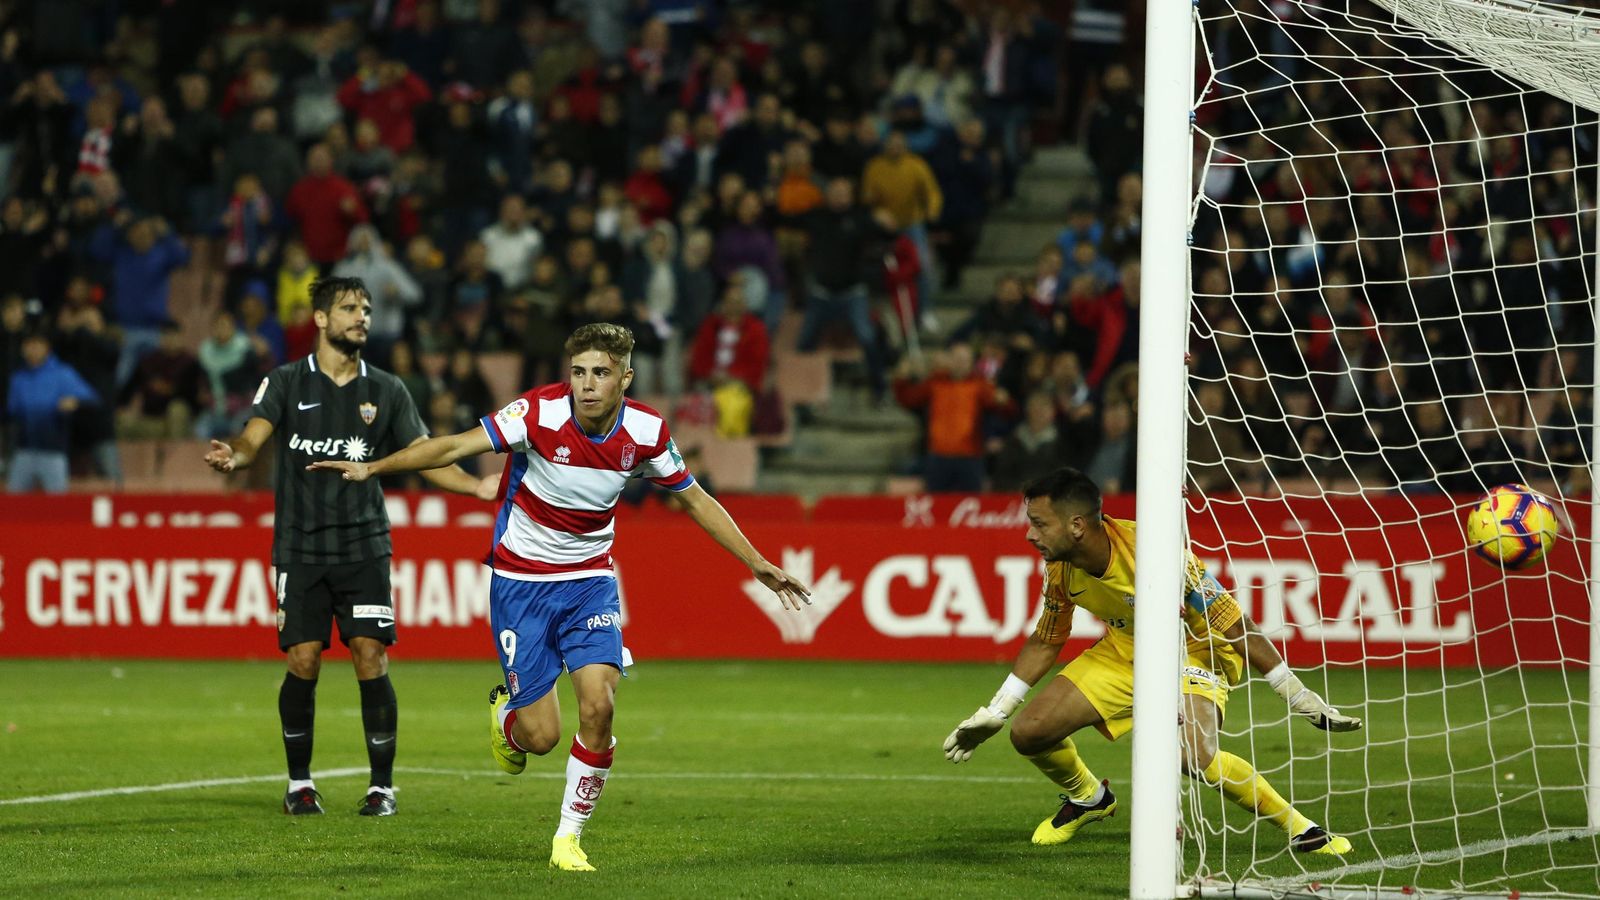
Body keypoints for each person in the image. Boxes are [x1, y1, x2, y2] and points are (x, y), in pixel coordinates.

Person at [307, 322, 811, 872]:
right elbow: (453, 445)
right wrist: (375, 467)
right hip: (520, 585)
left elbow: (695, 499)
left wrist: (757, 561)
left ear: (625, 377)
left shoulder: (645, 431)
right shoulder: (539, 414)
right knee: (540, 737)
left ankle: (567, 838)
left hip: (590, 581)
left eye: (600, 373)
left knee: (599, 705)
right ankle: (508, 719)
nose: (587, 384)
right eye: (578, 372)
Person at [942, 467, 1361, 855]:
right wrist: (997, 710)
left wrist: (1294, 691)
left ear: (1076, 525)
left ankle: (1301, 828)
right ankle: (1089, 798)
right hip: (1127, 650)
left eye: (1039, 523)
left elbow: (1232, 621)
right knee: (1029, 732)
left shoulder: (1155, 554)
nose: (1030, 535)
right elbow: (1048, 638)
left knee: (1191, 756)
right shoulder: (1060, 568)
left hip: (1196, 650)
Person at [203, 276, 495, 818]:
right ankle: (299, 784)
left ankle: (381, 787)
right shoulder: (286, 381)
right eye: (349, 308)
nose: (362, 316)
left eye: (365, 308)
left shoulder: (386, 388)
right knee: (304, 658)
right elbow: (251, 439)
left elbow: (426, 453)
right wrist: (235, 457)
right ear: (319, 319)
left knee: (370, 654)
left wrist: (476, 486)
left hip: (364, 543)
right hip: (300, 546)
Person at [7, 330, 99, 493]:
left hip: (53, 450)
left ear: (47, 348)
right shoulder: (19, 377)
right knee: (13, 504)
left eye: (37, 345)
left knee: (58, 503)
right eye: (29, 345)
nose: (33, 350)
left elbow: (91, 400)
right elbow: (12, 411)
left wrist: (75, 402)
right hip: (24, 450)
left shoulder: (62, 374)